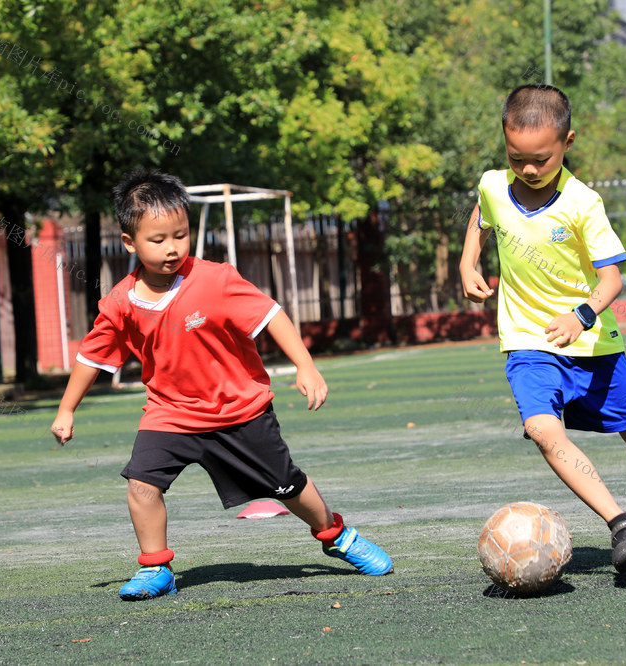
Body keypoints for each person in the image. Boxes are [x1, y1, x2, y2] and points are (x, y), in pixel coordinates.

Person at [50, 168, 393, 600]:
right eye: (158, 240)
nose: (172, 248)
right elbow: (92, 357)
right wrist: (67, 409)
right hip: (170, 414)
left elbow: (272, 315)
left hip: (239, 412)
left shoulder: (215, 279)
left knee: (286, 485)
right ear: (129, 242)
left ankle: (336, 535)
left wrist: (306, 366)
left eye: (180, 235)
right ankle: (156, 568)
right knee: (140, 485)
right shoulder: (120, 301)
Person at [458, 84, 626, 573]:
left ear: (568, 142)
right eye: (517, 159)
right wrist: (467, 259)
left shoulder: (584, 203)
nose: (529, 169)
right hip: (527, 341)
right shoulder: (494, 184)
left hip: (593, 343)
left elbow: (613, 279)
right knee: (543, 430)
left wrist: (579, 316)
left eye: (541, 158)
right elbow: (482, 212)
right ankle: (622, 525)